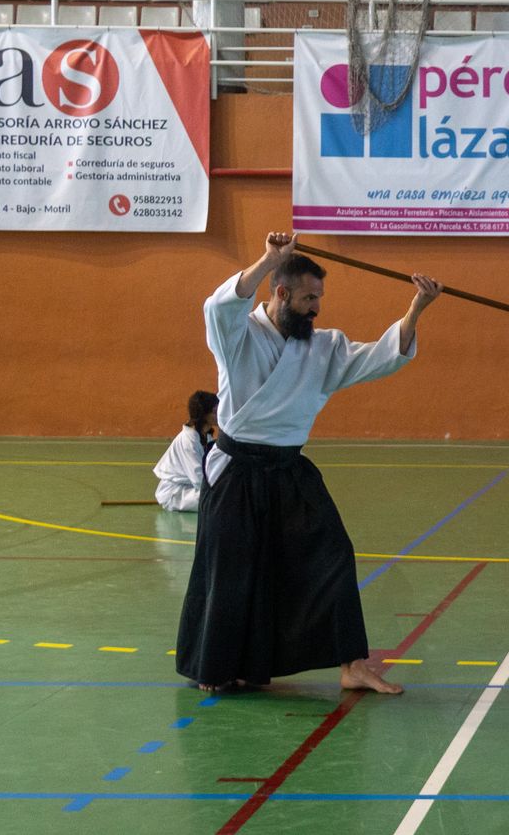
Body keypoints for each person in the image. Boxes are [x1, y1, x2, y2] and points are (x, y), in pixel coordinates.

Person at [175, 232, 441, 695]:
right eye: (308, 298)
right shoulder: (238, 335)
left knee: (333, 557)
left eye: (319, 297)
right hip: (237, 473)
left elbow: (379, 358)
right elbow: (218, 307)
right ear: (280, 293)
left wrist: (416, 308)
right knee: (232, 571)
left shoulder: (325, 348)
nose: (317, 307)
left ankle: (353, 665)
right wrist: (267, 260)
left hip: (290, 472)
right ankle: (219, 667)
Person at [153, 391, 218, 512]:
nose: (219, 414)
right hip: (174, 493)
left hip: (188, 489)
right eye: (215, 411)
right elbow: (199, 480)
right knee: (220, 500)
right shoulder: (188, 440)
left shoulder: (205, 436)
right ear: (204, 415)